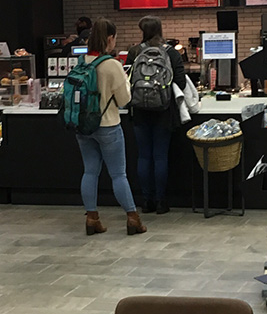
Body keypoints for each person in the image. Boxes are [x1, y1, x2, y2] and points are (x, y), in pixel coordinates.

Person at [75, 18, 146, 236]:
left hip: (83, 126)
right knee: (118, 174)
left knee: (90, 171)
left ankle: (92, 218)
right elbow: (124, 99)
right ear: (110, 39)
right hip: (108, 125)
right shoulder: (112, 65)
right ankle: (132, 218)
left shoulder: (81, 61)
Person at [126, 16, 187, 215]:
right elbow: (181, 82)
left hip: (139, 113)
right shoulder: (171, 52)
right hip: (164, 112)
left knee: (144, 156)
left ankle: (146, 201)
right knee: (160, 157)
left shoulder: (135, 52)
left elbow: (128, 82)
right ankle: (161, 202)